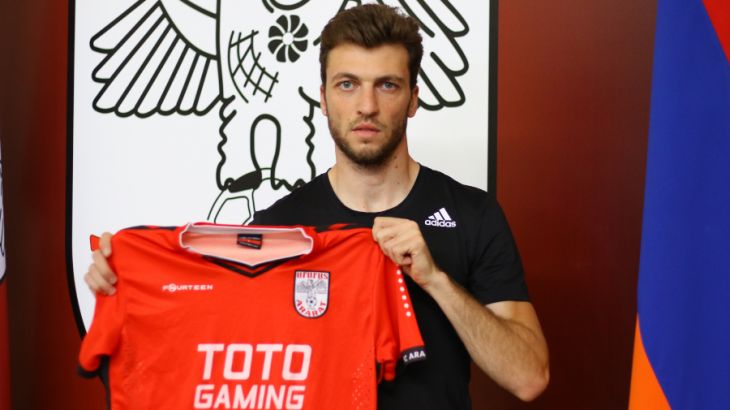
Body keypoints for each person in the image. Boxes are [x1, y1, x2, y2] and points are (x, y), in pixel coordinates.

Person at [85, 4, 549, 409]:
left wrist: (437, 282)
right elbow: (220, 354)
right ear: (323, 100)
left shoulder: (472, 214)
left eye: (387, 85)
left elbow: (529, 378)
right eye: (347, 85)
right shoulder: (278, 228)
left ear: (413, 100)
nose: (366, 106)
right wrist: (124, 282)